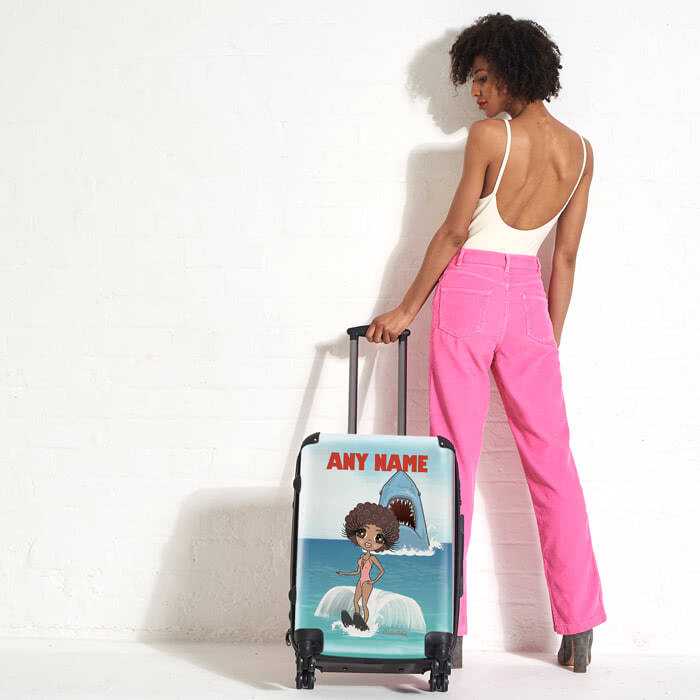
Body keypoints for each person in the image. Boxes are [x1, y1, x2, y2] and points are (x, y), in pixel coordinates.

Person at [365, 12, 606, 673]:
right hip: (530, 303)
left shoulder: (490, 136)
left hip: (470, 294)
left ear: (510, 71)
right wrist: (547, 342)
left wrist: (406, 309)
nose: (474, 92)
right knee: (553, 463)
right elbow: (564, 259)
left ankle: (447, 630)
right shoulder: (581, 152)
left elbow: (452, 233)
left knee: (453, 464)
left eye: (480, 77)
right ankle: (580, 626)